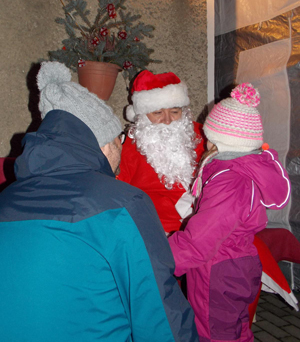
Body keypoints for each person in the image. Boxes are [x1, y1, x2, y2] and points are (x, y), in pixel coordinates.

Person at [0, 61, 198, 342]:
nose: (121, 147)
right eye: (118, 140)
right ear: (104, 144)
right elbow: (160, 316)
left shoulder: (5, 200)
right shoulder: (122, 204)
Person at [168, 83, 291, 342]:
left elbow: (200, 241)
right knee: (233, 330)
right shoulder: (239, 170)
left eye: (209, 137)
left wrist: (163, 256)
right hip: (233, 261)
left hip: (219, 269)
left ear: (221, 140)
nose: (205, 142)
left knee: (215, 334)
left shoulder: (230, 181)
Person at [118, 69, 205, 234]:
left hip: (203, 223)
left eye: (175, 112)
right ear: (142, 115)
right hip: (154, 228)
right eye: (157, 113)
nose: (167, 120)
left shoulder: (202, 136)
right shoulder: (127, 146)